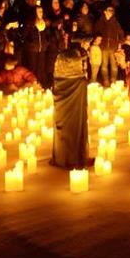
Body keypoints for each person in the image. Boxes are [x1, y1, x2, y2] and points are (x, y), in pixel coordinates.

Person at [50, 35, 91, 169]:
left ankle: (62, 156)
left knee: (62, 131)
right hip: (74, 117)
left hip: (61, 115)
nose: (83, 66)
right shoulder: (79, 82)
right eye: (81, 63)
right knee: (74, 130)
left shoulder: (58, 82)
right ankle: (74, 157)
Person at [96, 6, 124, 86]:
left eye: (112, 10)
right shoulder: (100, 22)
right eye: (109, 10)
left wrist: (120, 43)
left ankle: (113, 81)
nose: (111, 11)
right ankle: (106, 81)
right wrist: (98, 41)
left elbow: (121, 33)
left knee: (114, 66)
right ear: (105, 11)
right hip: (103, 47)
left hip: (113, 47)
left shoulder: (115, 22)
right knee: (104, 65)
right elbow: (96, 31)